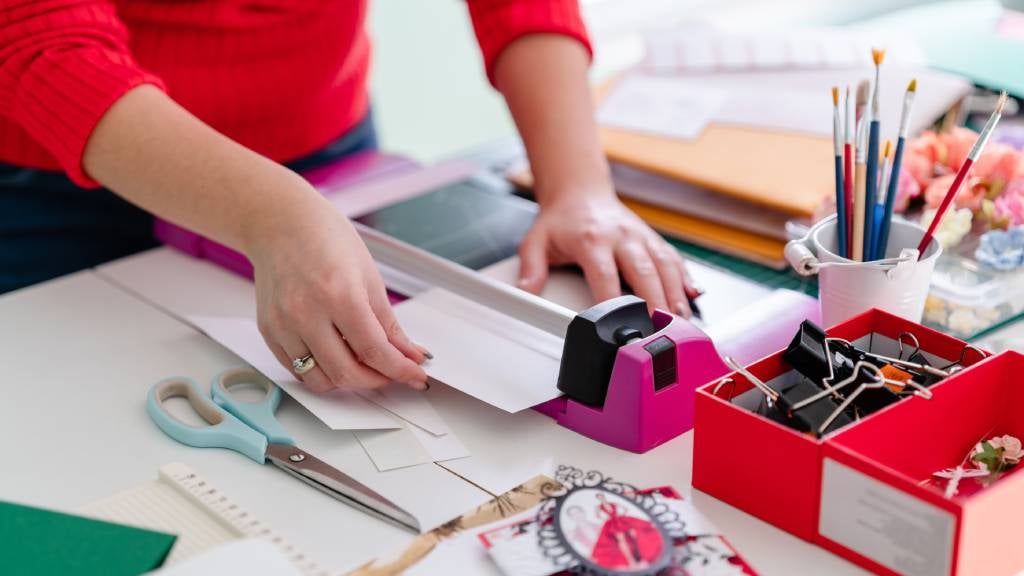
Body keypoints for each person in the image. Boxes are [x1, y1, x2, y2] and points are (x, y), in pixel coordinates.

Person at [0, 1, 698, 393]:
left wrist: (578, 186)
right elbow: (37, 40)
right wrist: (271, 214)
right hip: (57, 185)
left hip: (328, 155)